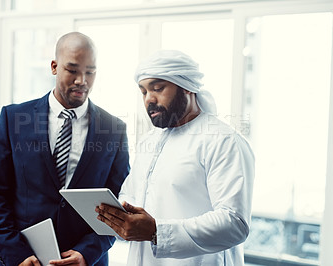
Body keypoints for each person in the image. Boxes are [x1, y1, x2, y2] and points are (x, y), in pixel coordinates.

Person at [0, 32, 130, 266]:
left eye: (90, 72)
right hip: (23, 259)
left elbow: (119, 201)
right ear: (54, 67)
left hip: (86, 260)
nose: (82, 80)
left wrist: (88, 252)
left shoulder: (113, 129)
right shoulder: (13, 119)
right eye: (72, 70)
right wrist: (15, 252)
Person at [96, 50, 255, 265]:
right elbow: (130, 197)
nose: (149, 99)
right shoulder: (148, 142)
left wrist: (156, 231)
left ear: (187, 86)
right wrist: (118, 216)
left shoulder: (223, 141)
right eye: (143, 92)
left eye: (158, 88)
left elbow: (235, 223)